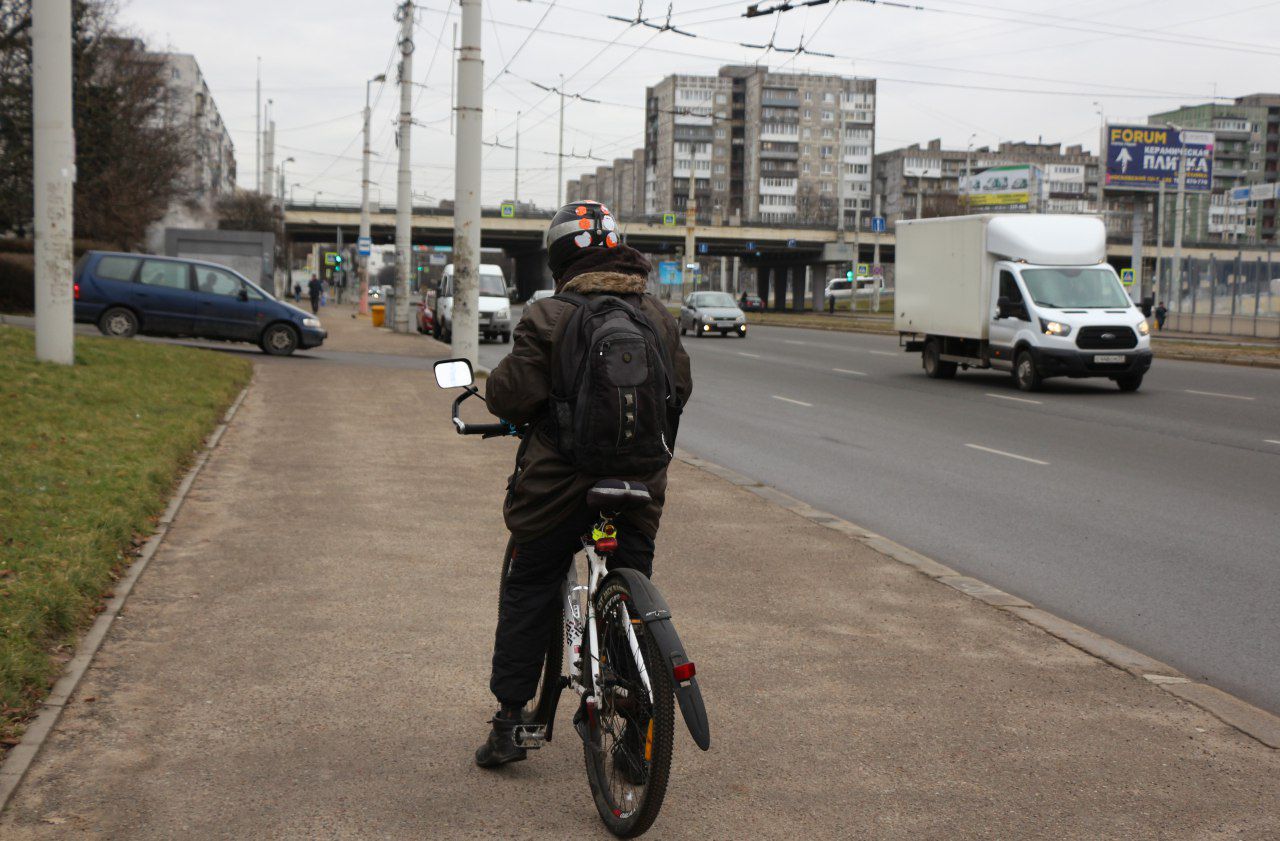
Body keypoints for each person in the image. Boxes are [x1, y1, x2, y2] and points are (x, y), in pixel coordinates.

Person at [475, 200, 693, 768]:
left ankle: (508, 725)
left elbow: (507, 396)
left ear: (557, 259)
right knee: (631, 595)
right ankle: (636, 738)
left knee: (531, 584)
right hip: (640, 486)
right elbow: (680, 393)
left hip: (558, 489)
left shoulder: (549, 316)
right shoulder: (658, 317)